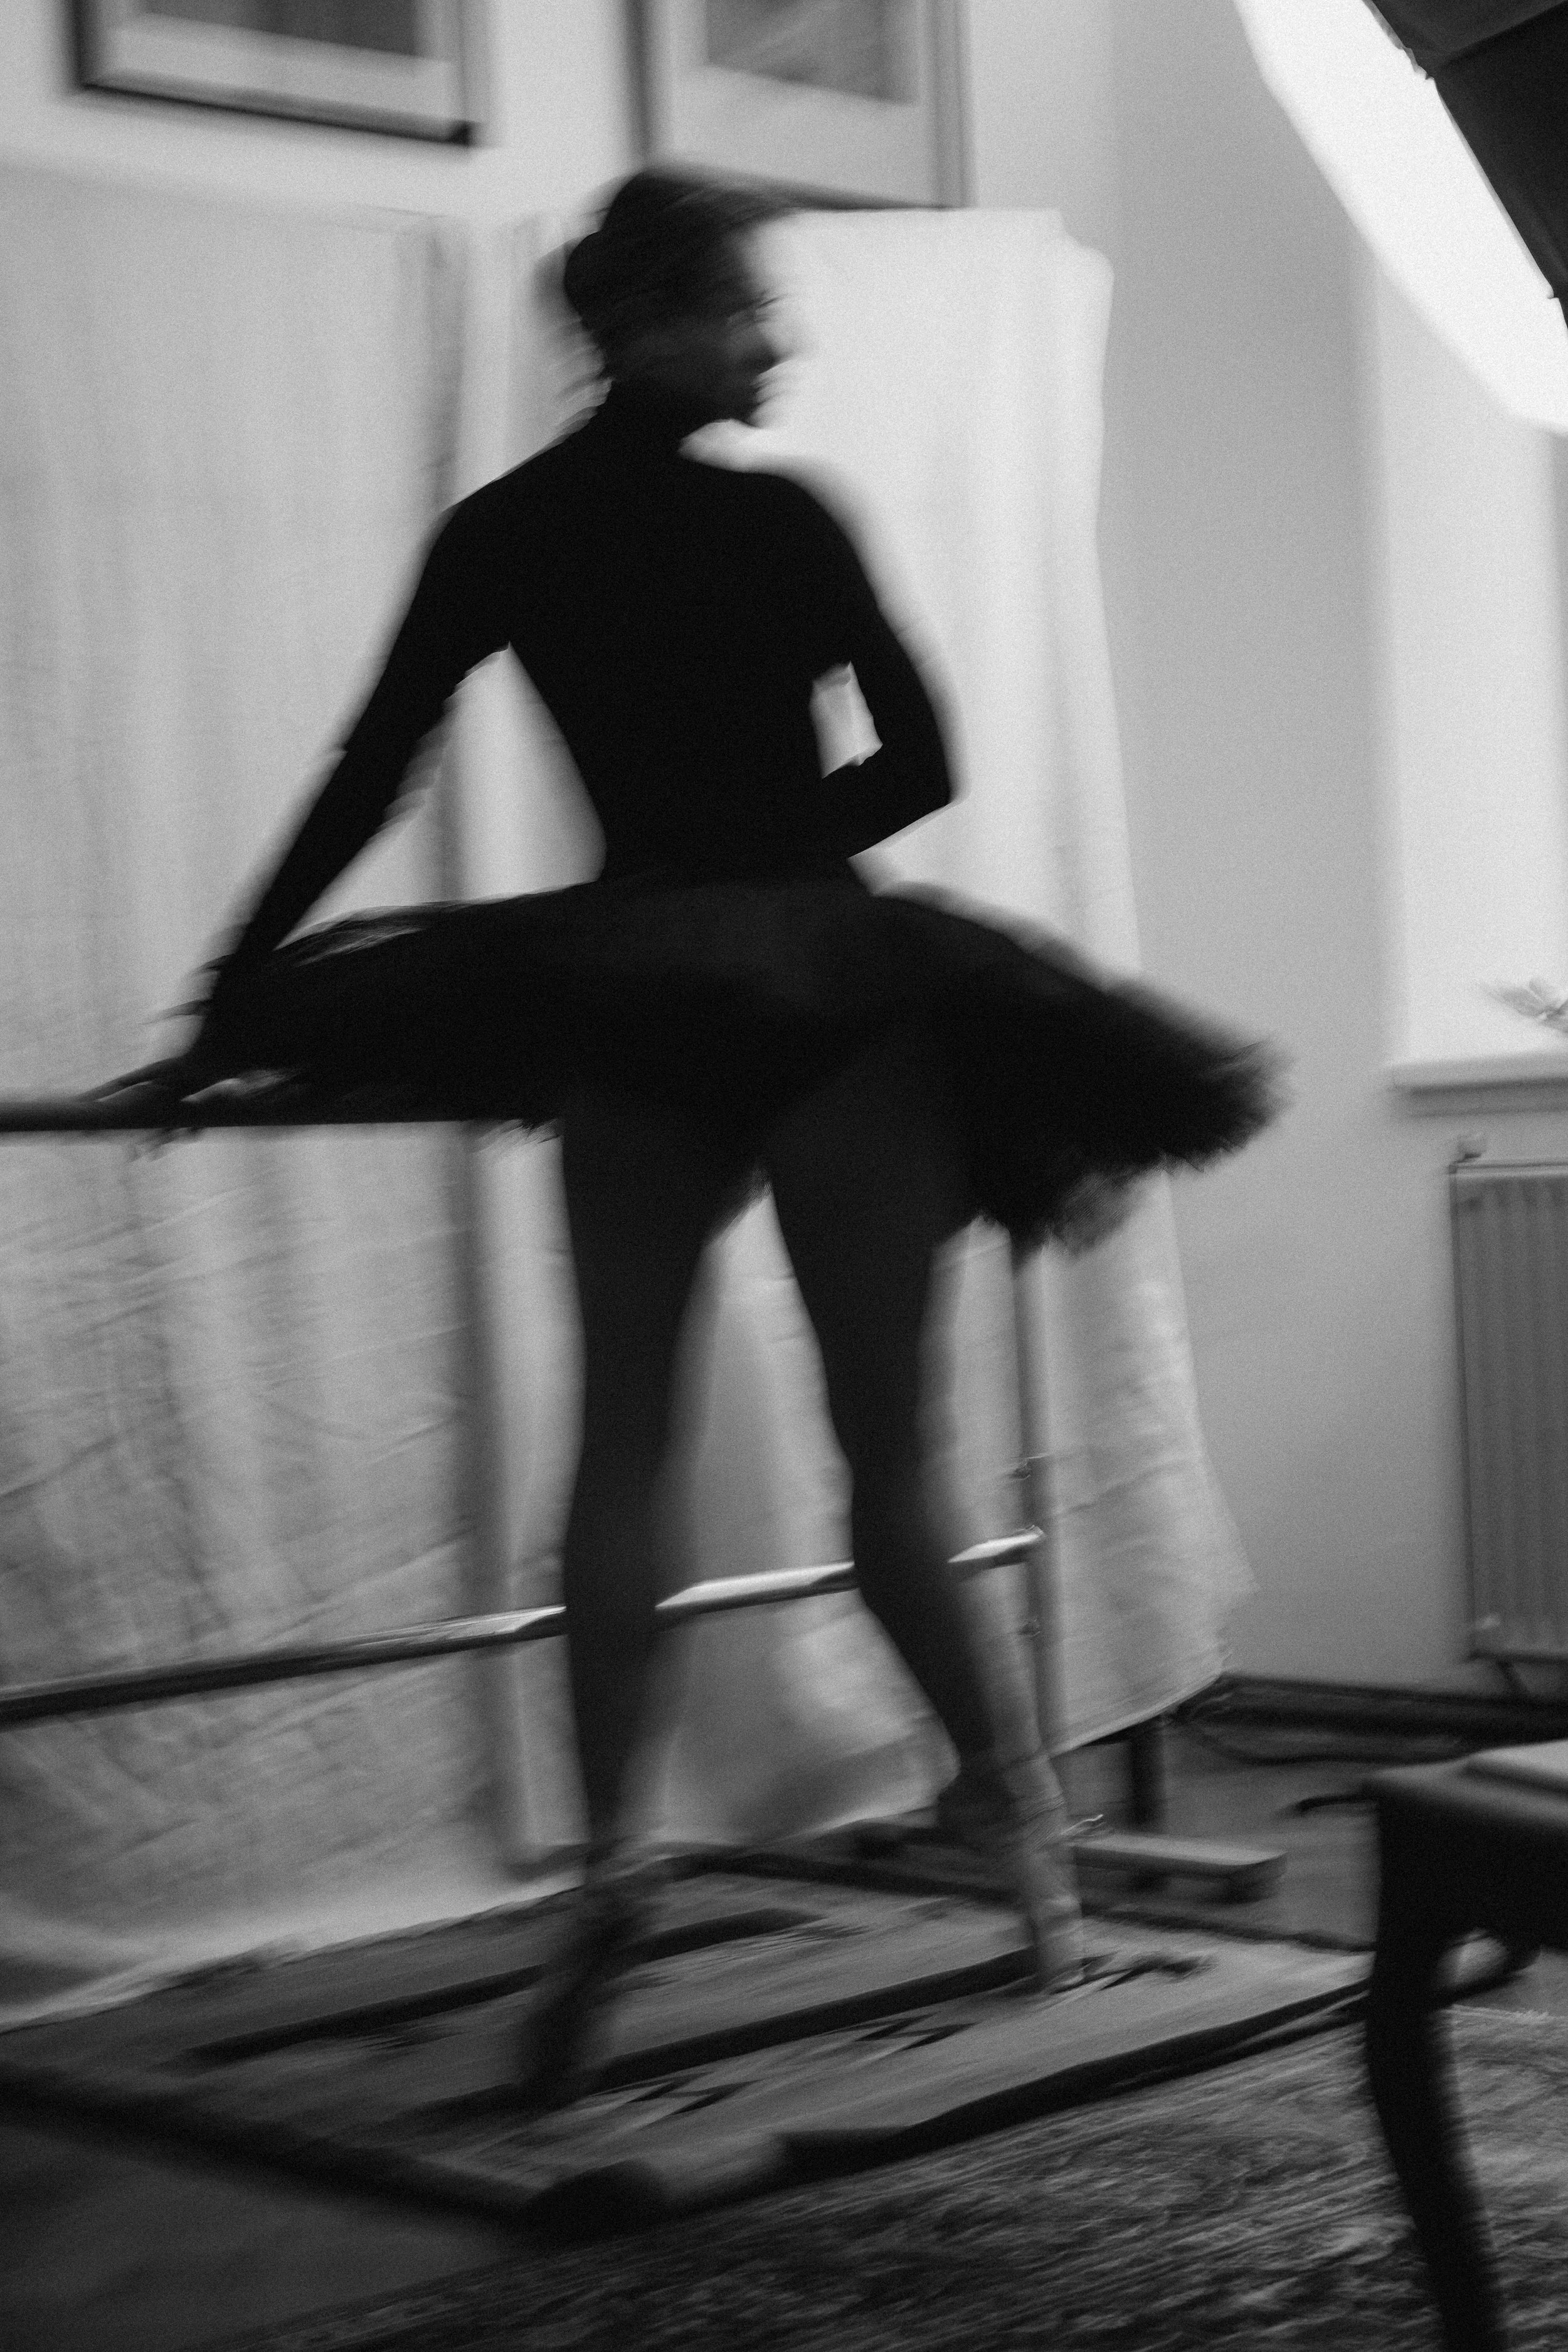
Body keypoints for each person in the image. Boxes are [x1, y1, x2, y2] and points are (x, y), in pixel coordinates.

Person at [125, 168, 1279, 2108]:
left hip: (625, 989)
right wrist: (781, 872)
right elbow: (927, 761)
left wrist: (233, 990)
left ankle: (609, 1860)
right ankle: (1032, 1861)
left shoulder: (502, 530)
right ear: (645, 317)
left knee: (624, 1435)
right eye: (746, 307)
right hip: (829, 996)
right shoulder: (780, 517)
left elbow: (369, 764)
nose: (777, 340)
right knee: (888, 1462)